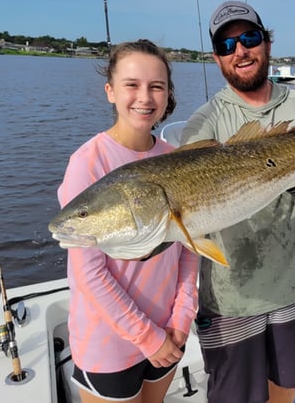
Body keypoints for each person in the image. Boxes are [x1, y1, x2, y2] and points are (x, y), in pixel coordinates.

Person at [181, 0, 295, 403]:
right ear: (217, 58)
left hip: (291, 285)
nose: (240, 51)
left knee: (286, 393)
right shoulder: (205, 121)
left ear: (266, 43)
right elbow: (189, 198)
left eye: (249, 38)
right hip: (229, 296)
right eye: (227, 45)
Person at [57, 39, 199, 403]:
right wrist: (147, 337)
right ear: (110, 91)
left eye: (156, 86)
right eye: (131, 85)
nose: (145, 97)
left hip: (169, 331)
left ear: (168, 95)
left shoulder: (173, 157)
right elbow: (90, 274)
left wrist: (182, 317)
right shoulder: (88, 163)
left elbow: (188, 242)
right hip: (110, 345)